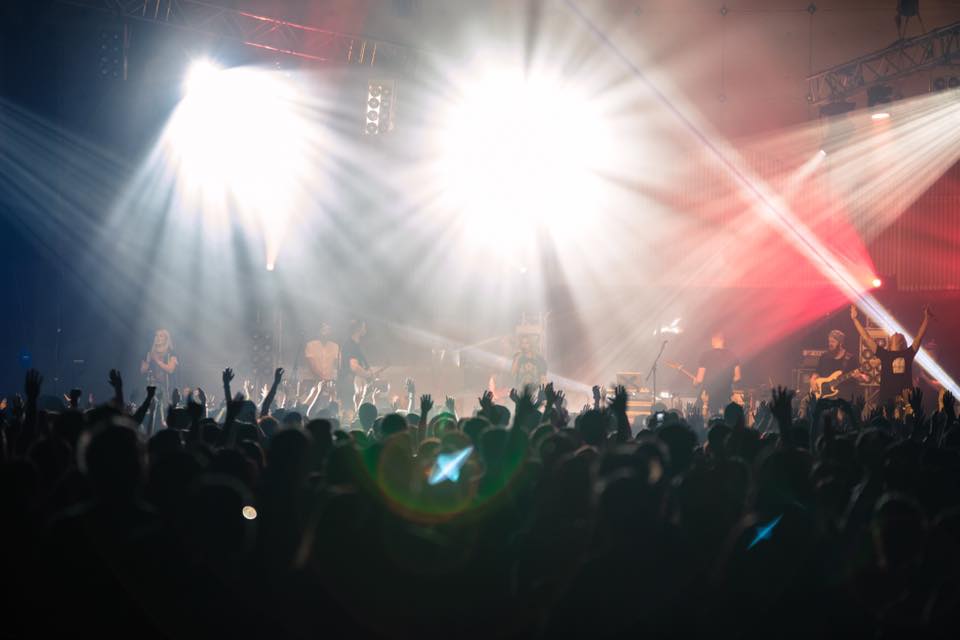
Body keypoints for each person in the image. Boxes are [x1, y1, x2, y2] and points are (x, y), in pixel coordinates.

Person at [850, 304, 931, 408]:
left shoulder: (908, 354)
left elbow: (919, 337)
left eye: (898, 334)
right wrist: (855, 319)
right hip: (886, 399)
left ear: (902, 342)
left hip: (905, 399)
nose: (896, 332)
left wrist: (926, 319)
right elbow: (866, 337)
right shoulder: (884, 354)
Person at [693, 331, 741, 416]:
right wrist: (726, 381)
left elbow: (699, 379)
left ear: (714, 340)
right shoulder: (732, 355)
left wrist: (695, 382)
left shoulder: (705, 355)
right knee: (725, 418)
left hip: (708, 394)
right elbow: (738, 377)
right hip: (726, 394)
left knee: (697, 414)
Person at [810, 329, 866, 400]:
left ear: (840, 343)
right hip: (824, 397)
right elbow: (817, 372)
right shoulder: (824, 356)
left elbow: (865, 378)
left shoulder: (851, 359)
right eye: (829, 341)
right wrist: (812, 380)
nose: (830, 344)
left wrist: (859, 377)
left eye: (833, 342)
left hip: (844, 398)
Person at [339, 319, 377, 410]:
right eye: (364, 327)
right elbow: (354, 367)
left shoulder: (355, 345)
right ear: (357, 329)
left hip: (353, 385)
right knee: (352, 411)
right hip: (350, 386)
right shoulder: (350, 345)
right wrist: (368, 374)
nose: (365, 329)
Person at [304, 321, 341, 403]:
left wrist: (332, 380)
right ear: (319, 331)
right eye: (324, 329)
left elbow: (336, 365)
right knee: (311, 403)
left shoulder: (335, 346)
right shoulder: (310, 345)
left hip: (329, 382)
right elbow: (311, 365)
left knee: (327, 404)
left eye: (328, 329)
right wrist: (321, 379)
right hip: (313, 380)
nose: (326, 332)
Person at [140, 329, 178, 399]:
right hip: (152, 387)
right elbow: (142, 370)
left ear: (166, 339)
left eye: (161, 336)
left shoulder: (171, 353)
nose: (158, 338)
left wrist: (156, 360)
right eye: (156, 335)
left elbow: (170, 370)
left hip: (166, 389)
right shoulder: (149, 352)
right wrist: (148, 361)